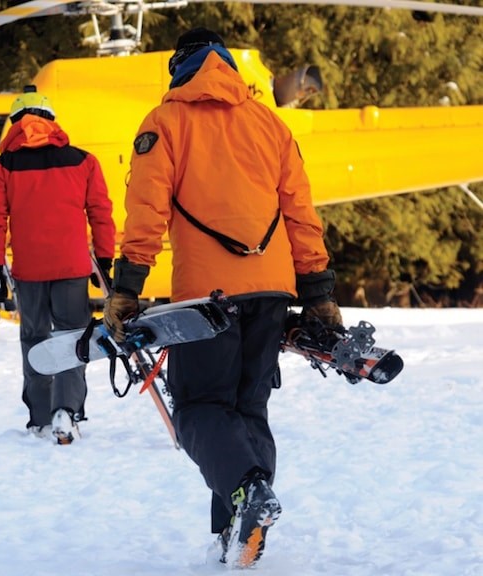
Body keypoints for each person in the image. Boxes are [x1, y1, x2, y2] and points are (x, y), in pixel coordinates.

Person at [103, 28, 343, 569]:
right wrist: (319, 294)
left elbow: (146, 213)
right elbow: (302, 215)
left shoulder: (164, 123)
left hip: (205, 299)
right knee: (246, 410)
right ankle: (235, 536)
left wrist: (126, 288)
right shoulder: (270, 124)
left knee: (198, 409)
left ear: (180, 69)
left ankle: (247, 493)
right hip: (272, 292)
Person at [0, 86, 115, 445]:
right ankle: (67, 411)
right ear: (51, 121)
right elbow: (101, 212)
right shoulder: (83, 161)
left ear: (14, 124)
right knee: (73, 337)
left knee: (35, 340)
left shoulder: (1, 167)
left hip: (29, 270)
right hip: (72, 266)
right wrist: (104, 257)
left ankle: (41, 415)